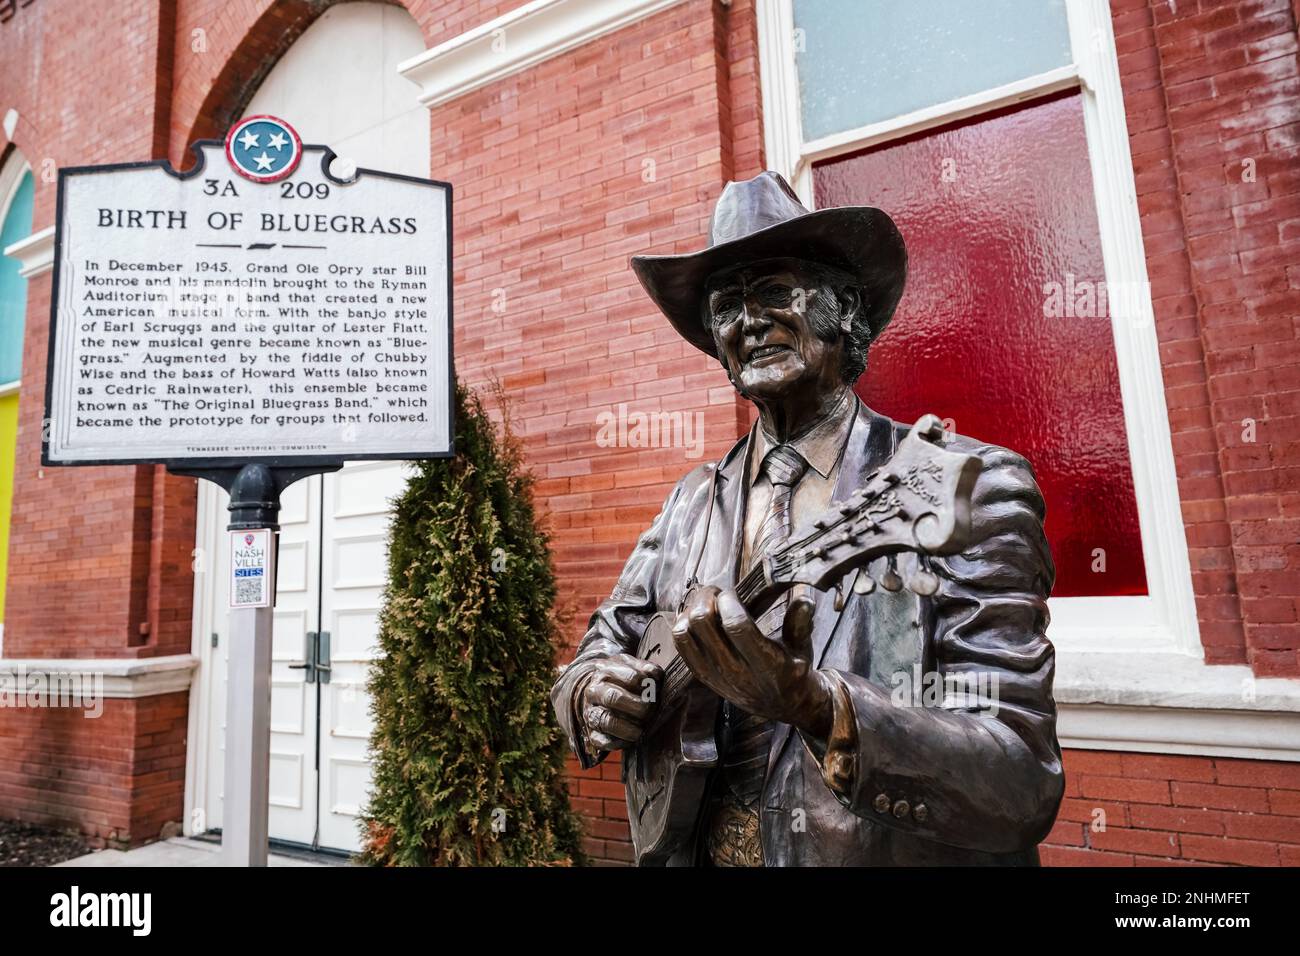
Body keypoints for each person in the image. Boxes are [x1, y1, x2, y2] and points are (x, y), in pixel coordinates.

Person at [551, 171, 1064, 865]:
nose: (748, 321)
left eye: (773, 292)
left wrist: (821, 707)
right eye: (726, 305)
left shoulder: (963, 487)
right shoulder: (690, 503)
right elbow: (598, 648)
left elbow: (1019, 776)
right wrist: (592, 695)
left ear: (845, 308)